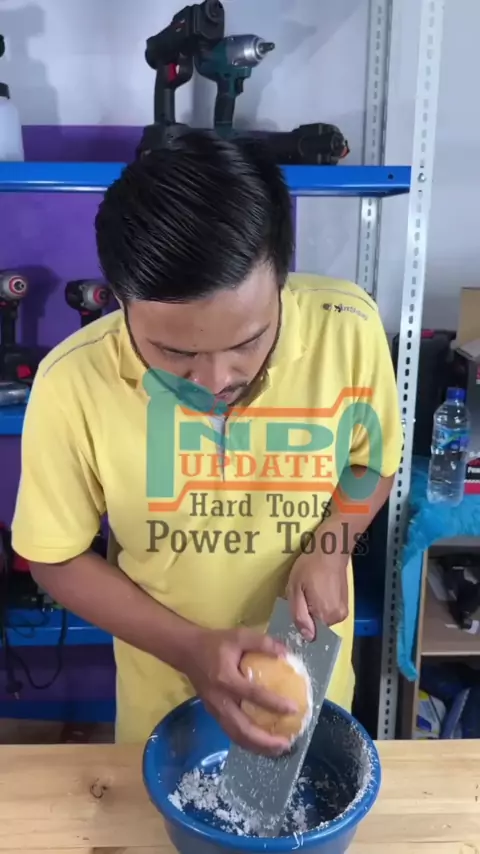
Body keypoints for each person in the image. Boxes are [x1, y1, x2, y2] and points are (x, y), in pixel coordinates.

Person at [12, 130, 403, 750]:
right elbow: (54, 557)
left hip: (312, 689)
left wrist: (332, 543)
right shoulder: (73, 382)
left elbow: (371, 461)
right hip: (165, 701)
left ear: (282, 280)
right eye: (175, 352)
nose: (217, 380)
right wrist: (191, 649)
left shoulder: (348, 329)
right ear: (122, 302)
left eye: (248, 341)